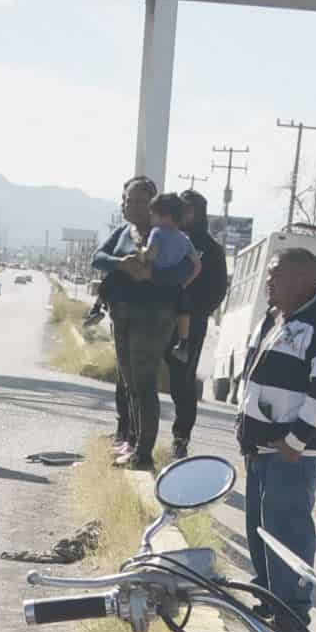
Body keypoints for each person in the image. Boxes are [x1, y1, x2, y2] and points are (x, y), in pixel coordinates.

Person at [231, 247, 316, 620]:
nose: (268, 282)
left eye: (276, 276)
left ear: (304, 279)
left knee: (288, 531)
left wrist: (295, 440)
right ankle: (269, 597)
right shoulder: (273, 319)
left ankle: (293, 612)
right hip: (259, 448)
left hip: (290, 454)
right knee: (260, 528)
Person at [88, 176, 190, 471]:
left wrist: (151, 275)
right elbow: (98, 258)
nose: (133, 206)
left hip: (154, 316)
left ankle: (144, 453)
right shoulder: (123, 232)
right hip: (122, 313)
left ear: (154, 204)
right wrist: (121, 263)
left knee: (145, 383)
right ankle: (133, 442)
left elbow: (187, 270)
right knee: (129, 381)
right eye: (128, 200)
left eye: (140, 201)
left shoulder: (170, 236)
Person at [165, 190, 228, 462]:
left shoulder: (211, 249)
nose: (184, 214)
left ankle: (181, 438)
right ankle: (132, 432)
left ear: (200, 213)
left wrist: (195, 309)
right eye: (181, 209)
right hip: (159, 318)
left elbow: (217, 290)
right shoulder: (168, 239)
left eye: (189, 209)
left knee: (182, 382)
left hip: (190, 324)